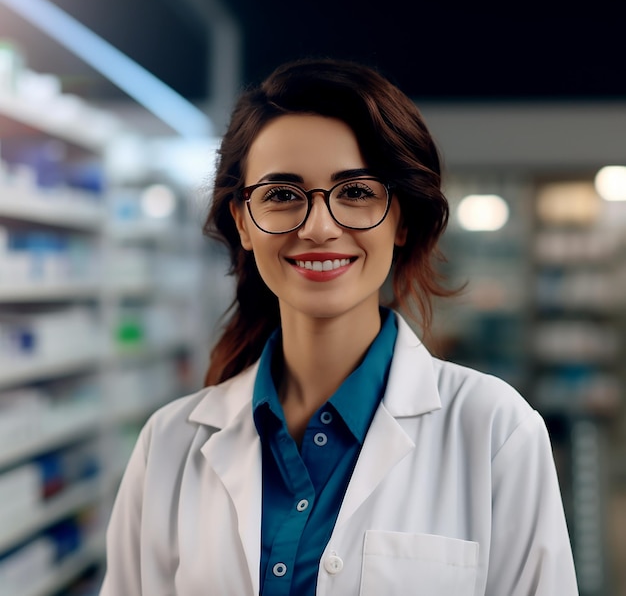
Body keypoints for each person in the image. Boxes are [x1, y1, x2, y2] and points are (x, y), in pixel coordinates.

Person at [100, 58, 578, 596]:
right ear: (242, 221)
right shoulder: (169, 445)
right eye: (282, 195)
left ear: (401, 219)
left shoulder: (495, 431)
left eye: (356, 192)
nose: (319, 227)